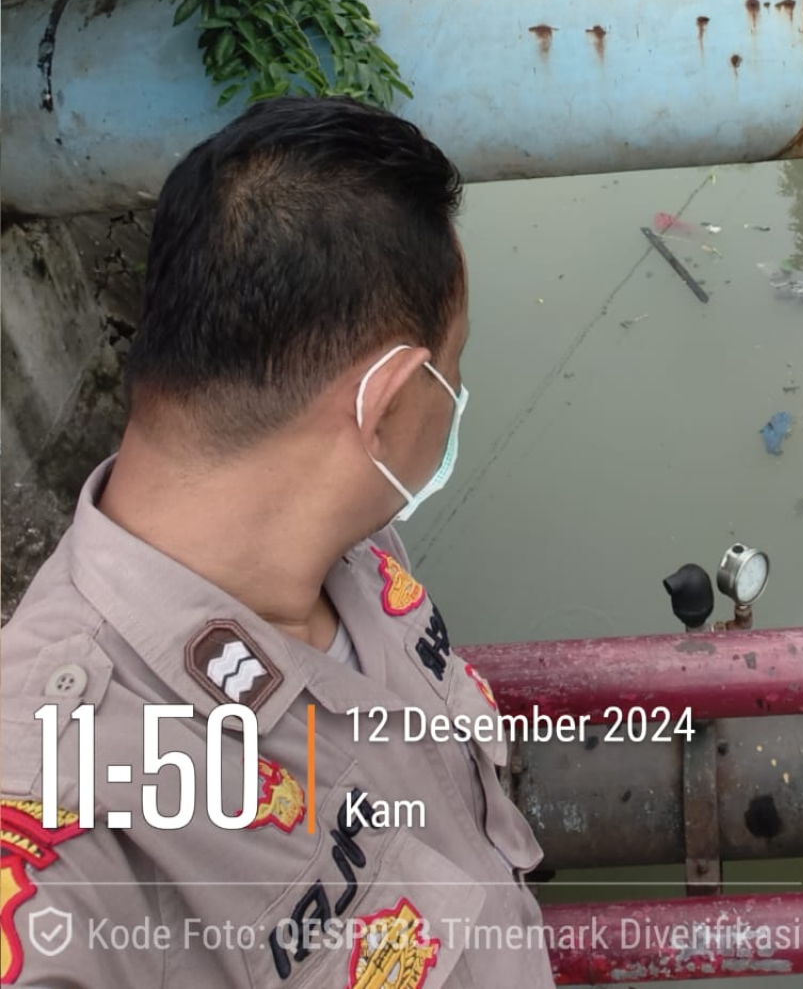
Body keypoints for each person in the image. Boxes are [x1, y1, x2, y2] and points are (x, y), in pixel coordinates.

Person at [1, 96, 556, 987]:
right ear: (385, 404)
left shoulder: (355, 547)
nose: (455, 401)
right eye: (451, 374)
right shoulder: (63, 824)